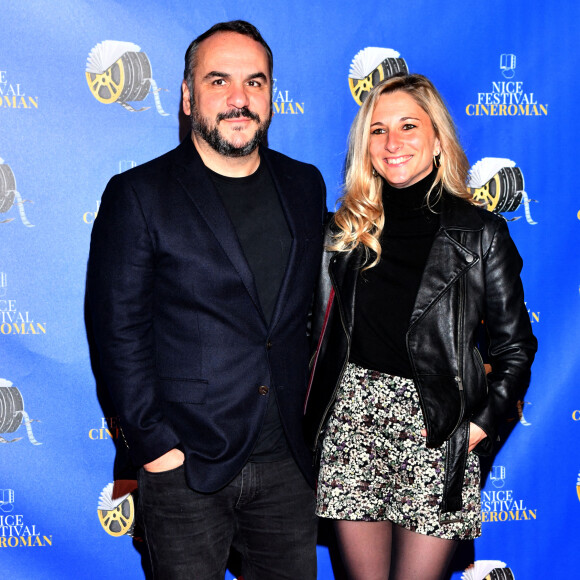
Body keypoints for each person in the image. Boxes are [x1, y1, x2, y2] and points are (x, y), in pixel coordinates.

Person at [87, 20, 326, 580]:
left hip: (287, 464)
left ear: (271, 95)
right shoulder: (139, 195)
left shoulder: (305, 184)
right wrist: (157, 450)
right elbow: (115, 331)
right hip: (184, 466)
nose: (239, 99)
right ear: (188, 95)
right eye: (219, 81)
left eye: (256, 82)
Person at [304, 74, 537, 580]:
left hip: (437, 427)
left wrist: (479, 426)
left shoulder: (479, 234)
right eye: (378, 129)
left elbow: (515, 348)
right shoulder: (342, 233)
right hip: (354, 423)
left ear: (437, 140)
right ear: (364, 146)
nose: (392, 142)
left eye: (409, 126)